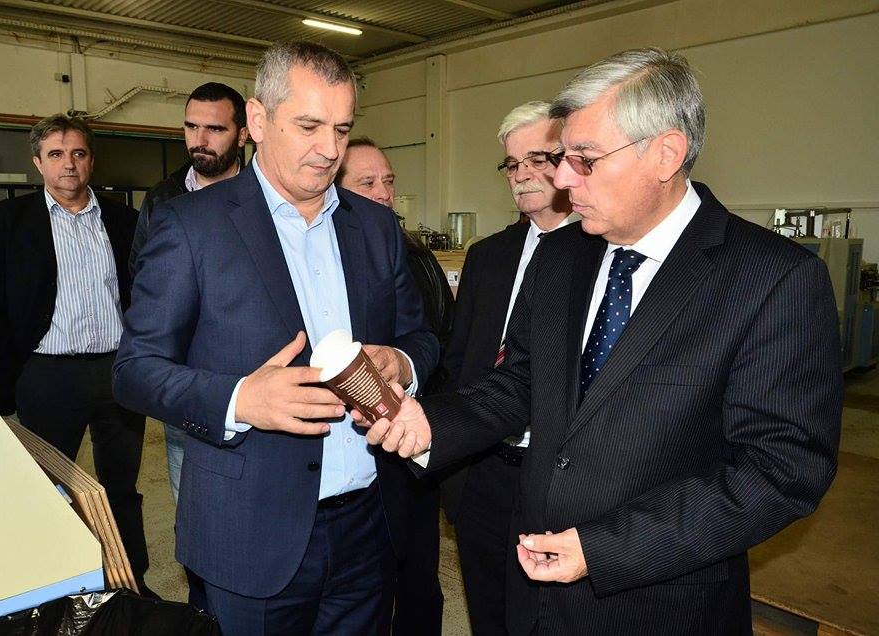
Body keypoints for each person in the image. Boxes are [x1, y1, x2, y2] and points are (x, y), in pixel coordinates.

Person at [361, 48, 842, 634]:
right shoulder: (563, 256)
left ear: (665, 154)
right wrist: (433, 423)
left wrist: (605, 548)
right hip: (533, 588)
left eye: (584, 160)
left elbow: (781, 469)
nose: (562, 180)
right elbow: (522, 381)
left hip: (662, 605)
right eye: (564, 158)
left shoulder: (771, 278)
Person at [113, 41, 438, 635]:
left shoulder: (374, 226)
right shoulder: (190, 225)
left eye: (342, 129)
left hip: (368, 525)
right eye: (309, 126)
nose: (330, 149)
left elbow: (421, 336)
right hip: (250, 532)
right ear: (258, 122)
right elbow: (134, 369)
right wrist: (242, 400)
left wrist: (400, 361)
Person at [0, 114, 154, 597]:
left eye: (78, 153)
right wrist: (16, 378)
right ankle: (56, 587)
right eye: (56, 154)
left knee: (122, 488)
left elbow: (143, 294)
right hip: (47, 376)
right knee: (48, 489)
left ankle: (131, 583)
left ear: (91, 159)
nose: (68, 164)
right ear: (38, 162)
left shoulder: (123, 219)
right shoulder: (7, 221)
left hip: (117, 373)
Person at [440, 100, 574, 635]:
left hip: (560, 481)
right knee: (488, 616)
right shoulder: (489, 256)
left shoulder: (603, 255)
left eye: (537, 159)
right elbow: (460, 363)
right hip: (483, 473)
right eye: (512, 164)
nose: (522, 175)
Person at [337, 137, 452, 636]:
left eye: (388, 181)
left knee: (419, 580)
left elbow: (437, 339)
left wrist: (407, 367)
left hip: (415, 441)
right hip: (359, 450)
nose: (383, 193)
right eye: (367, 183)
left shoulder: (415, 255)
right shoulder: (335, 263)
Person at [129, 81, 249, 503]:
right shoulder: (162, 199)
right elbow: (142, 281)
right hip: (187, 375)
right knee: (190, 496)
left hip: (254, 370)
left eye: (214, 129)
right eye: (191, 127)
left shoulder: (266, 196)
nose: (200, 140)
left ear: (243, 133)